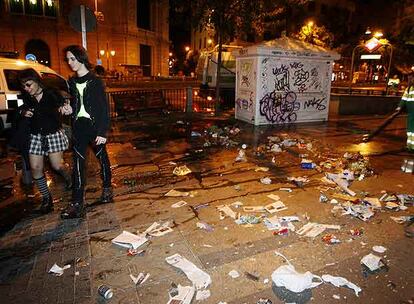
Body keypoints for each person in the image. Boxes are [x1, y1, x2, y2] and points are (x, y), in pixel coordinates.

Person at [60, 45, 113, 219]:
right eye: (68, 59)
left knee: (102, 158)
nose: (70, 63)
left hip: (94, 128)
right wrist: (68, 109)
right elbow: (76, 105)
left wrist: (103, 132)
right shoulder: (72, 82)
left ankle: (107, 189)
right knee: (77, 164)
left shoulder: (95, 81)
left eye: (72, 59)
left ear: (81, 57)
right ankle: (77, 202)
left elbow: (104, 108)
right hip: (79, 129)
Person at [18, 68, 71, 213]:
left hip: (53, 134)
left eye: (28, 84)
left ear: (36, 81)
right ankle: (47, 199)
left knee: (57, 165)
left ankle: (70, 178)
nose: (26, 89)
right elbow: (19, 110)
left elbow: (63, 104)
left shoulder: (51, 93)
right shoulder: (26, 97)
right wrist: (23, 112)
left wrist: (65, 108)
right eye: (23, 86)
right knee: (35, 168)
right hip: (35, 136)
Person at [396, 76, 414, 152]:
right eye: (409, 79)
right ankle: (409, 145)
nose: (410, 80)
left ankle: (412, 147)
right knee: (410, 130)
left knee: (412, 130)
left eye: (411, 78)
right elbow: (404, 99)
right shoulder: (409, 88)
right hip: (410, 112)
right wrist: (399, 106)